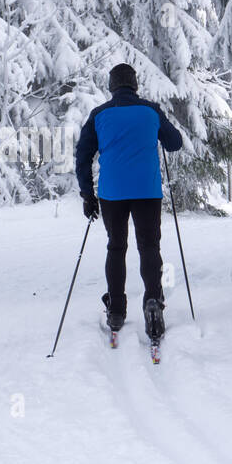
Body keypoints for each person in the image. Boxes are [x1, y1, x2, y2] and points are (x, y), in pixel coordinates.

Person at [75, 62, 184, 341]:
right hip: (147, 190)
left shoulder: (99, 114)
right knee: (149, 247)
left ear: (112, 87)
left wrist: (87, 194)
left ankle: (116, 310)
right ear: (135, 85)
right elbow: (174, 143)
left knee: (116, 247)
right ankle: (152, 303)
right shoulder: (150, 110)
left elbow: (83, 155)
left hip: (112, 193)